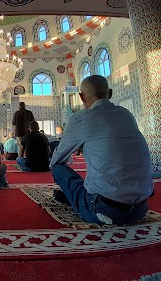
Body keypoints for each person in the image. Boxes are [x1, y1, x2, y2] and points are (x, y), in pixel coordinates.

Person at [51, 75, 153, 225]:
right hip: (141, 208)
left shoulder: (80, 119)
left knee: (57, 168)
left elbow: (58, 159)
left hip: (103, 210)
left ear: (81, 96)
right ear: (110, 93)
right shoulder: (126, 114)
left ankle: (77, 200)